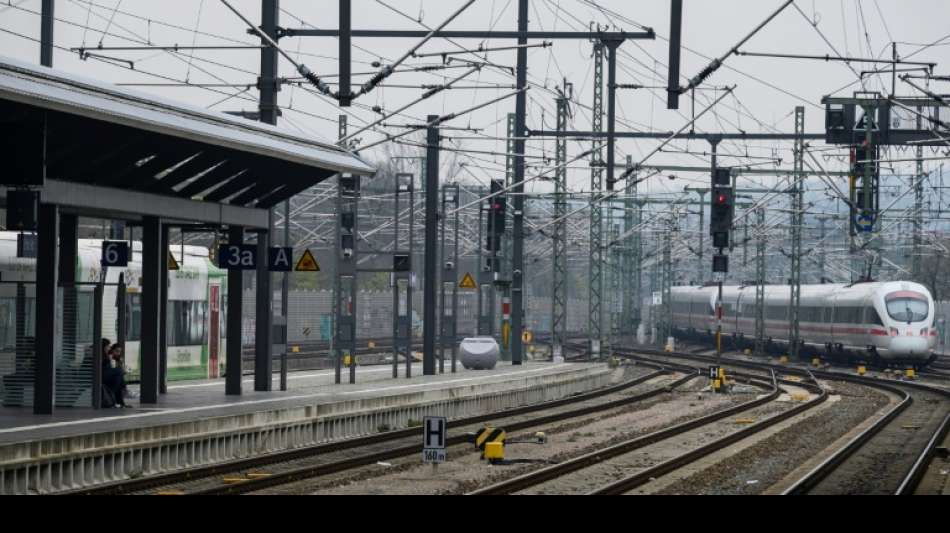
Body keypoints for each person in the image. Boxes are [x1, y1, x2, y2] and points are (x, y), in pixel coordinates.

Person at [103, 342, 129, 408]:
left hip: (111, 377)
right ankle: (123, 391)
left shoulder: (118, 359)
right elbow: (108, 369)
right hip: (104, 377)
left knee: (119, 378)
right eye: (117, 351)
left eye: (120, 351)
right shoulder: (108, 356)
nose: (118, 353)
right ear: (112, 350)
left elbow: (118, 370)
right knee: (119, 375)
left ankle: (120, 401)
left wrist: (122, 366)